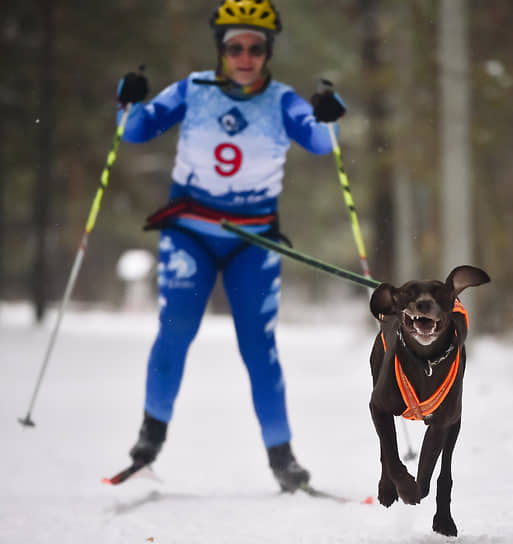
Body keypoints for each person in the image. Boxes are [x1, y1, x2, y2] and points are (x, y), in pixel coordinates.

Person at [116, 0, 346, 492]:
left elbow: (323, 143)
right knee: (175, 331)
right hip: (190, 232)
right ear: (221, 49)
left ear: (268, 51)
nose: (245, 57)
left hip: (252, 240)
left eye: (256, 48)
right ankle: (148, 441)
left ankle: (283, 459)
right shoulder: (193, 90)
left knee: (259, 348)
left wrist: (331, 115)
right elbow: (135, 132)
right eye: (235, 47)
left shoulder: (283, 100)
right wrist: (127, 100)